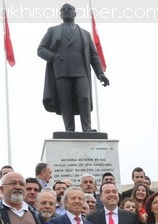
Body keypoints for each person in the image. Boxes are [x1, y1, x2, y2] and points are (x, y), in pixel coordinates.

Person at [37, 3, 109, 132]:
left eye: (69, 10)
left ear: (75, 14)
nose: (66, 11)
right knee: (66, 101)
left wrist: (100, 73)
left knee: (84, 98)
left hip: (81, 71)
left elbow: (93, 55)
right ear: (60, 14)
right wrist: (53, 57)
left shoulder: (85, 34)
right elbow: (41, 49)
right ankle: (69, 130)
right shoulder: (52, 31)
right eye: (63, 10)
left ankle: (87, 128)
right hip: (61, 71)